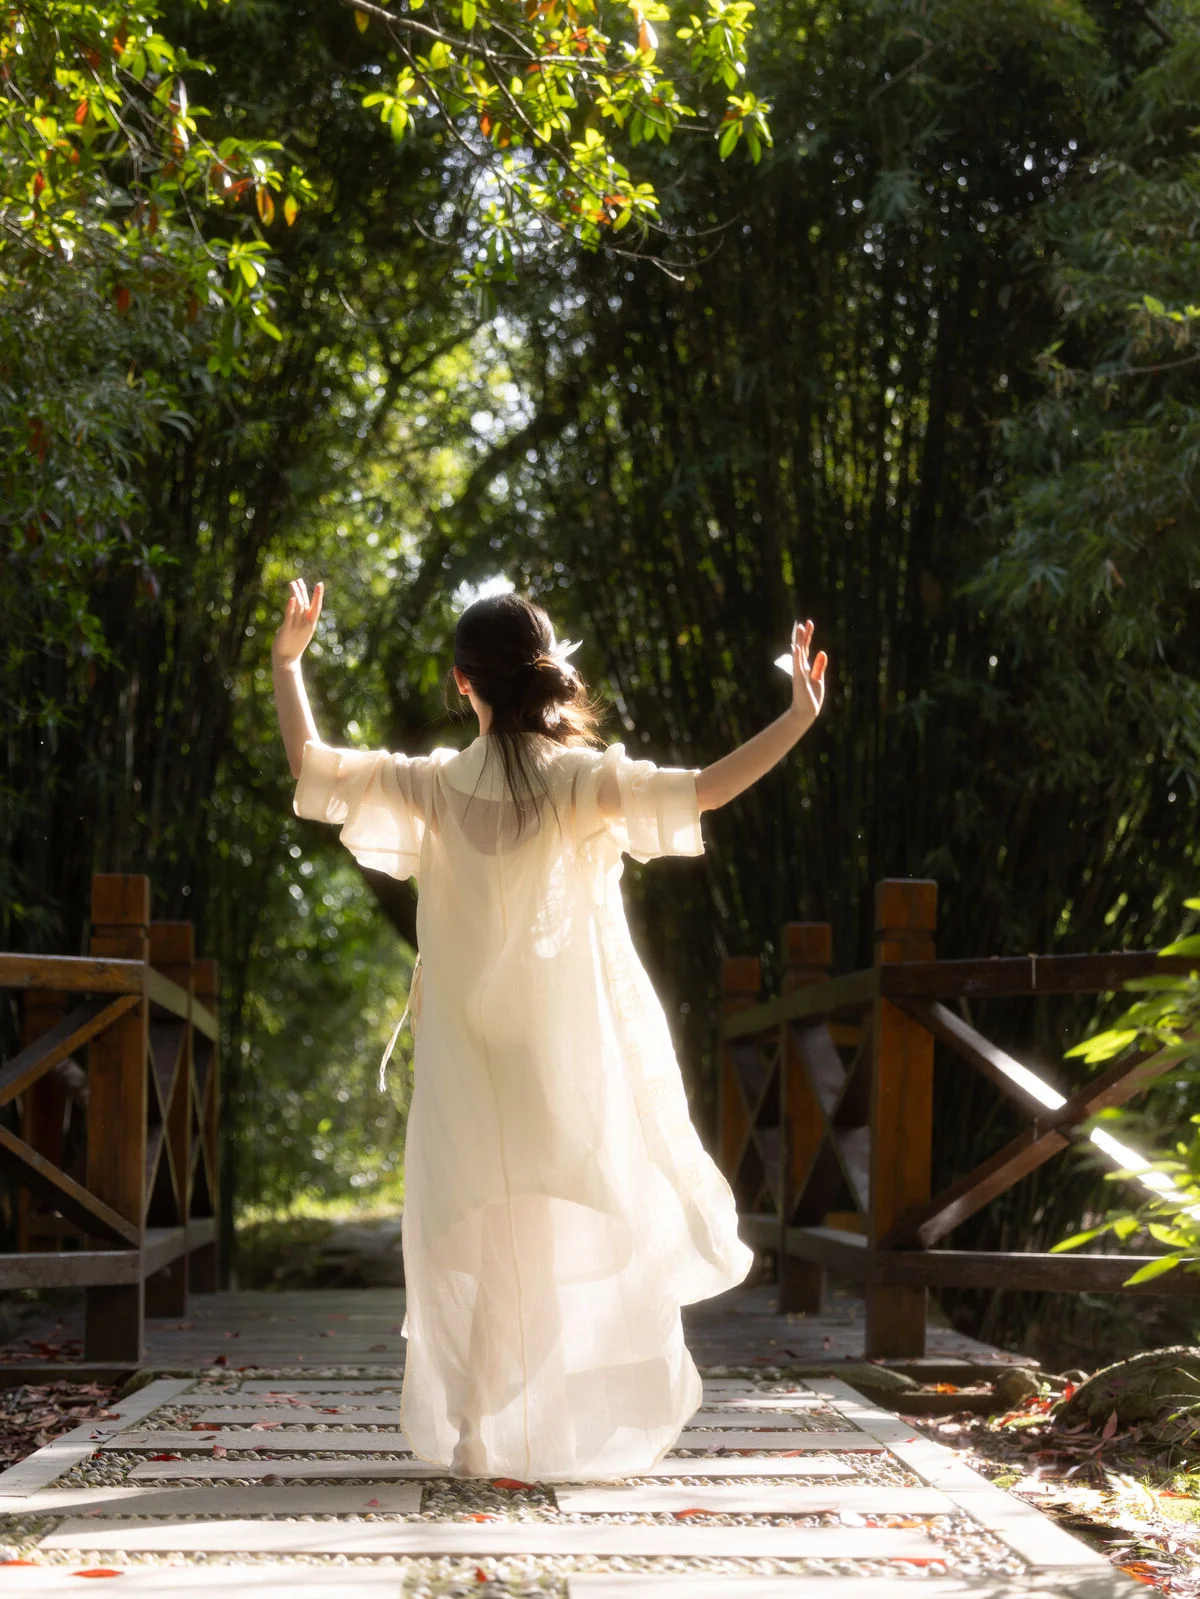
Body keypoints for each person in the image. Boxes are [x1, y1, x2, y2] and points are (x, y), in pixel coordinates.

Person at [271, 581, 828, 1481]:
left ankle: (478, 1423)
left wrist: (287, 664)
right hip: (558, 1051)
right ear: (546, 674)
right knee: (534, 1232)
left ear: (463, 682)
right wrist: (798, 715)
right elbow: (704, 789)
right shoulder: (578, 780)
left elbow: (313, 765)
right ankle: (521, 1425)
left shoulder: (432, 785)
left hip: (462, 1055)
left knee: (472, 1230)